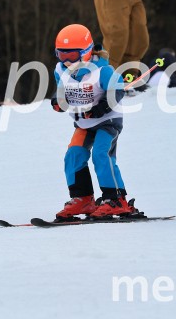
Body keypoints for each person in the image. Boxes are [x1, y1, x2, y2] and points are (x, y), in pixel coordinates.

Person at [50, 23, 140, 220]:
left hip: (108, 121)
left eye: (71, 55)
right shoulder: (60, 71)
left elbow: (117, 91)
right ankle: (83, 198)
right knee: (73, 155)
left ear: (87, 52)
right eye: (61, 54)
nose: (66, 61)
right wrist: (58, 101)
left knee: (101, 154)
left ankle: (116, 199)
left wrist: (101, 108)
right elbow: (61, 91)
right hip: (83, 123)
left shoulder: (102, 71)